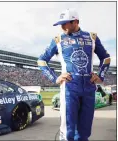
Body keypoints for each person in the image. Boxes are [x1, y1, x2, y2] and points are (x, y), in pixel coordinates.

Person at [37, 8, 111, 141]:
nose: (62, 26)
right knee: (68, 130)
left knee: (84, 131)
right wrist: (55, 77)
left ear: (75, 21)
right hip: (69, 89)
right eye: (61, 24)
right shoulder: (58, 40)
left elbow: (106, 58)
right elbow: (41, 60)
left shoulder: (92, 37)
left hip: (89, 89)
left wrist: (100, 76)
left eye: (65, 23)